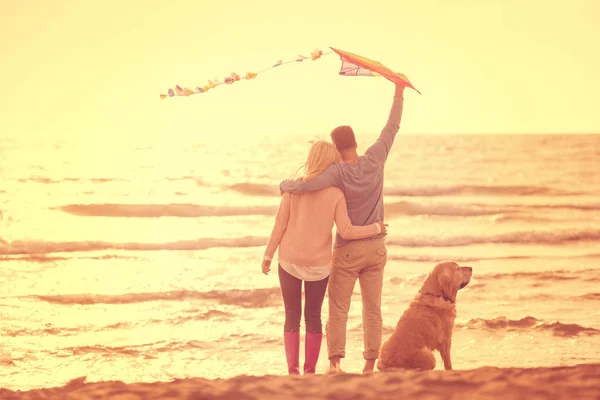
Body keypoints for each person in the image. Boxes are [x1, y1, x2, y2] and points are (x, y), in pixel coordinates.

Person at [279, 82, 406, 374]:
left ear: (336, 148)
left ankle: (335, 362)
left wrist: (283, 185)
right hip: (376, 246)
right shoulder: (376, 158)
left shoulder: (336, 171)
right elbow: (392, 125)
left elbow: (306, 185)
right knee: (372, 308)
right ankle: (369, 365)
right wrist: (398, 91)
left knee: (339, 307)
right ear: (357, 143)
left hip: (348, 249)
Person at [262, 140, 386, 375]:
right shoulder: (336, 194)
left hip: (289, 260)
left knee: (291, 315)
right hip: (319, 265)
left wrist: (268, 255)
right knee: (313, 317)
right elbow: (347, 231)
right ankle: (310, 372)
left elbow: (280, 225)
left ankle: (292, 372)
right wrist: (376, 228)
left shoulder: (292, 189)